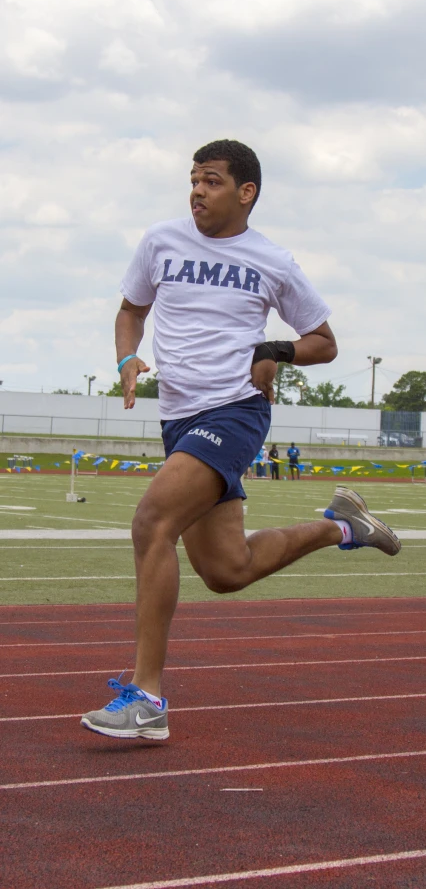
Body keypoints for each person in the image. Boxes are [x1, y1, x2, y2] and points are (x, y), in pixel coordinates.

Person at [81, 139, 401, 741]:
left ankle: (146, 700)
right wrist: (127, 356)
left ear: (245, 192)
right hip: (179, 420)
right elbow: (131, 310)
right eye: (194, 180)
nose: (197, 191)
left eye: (211, 181)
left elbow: (323, 341)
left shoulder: (272, 260)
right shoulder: (160, 241)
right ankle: (344, 526)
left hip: (235, 412)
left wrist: (272, 349)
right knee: (228, 570)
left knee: (152, 521)